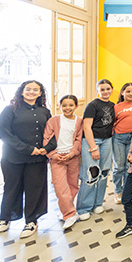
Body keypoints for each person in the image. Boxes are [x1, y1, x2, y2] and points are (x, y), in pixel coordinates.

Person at [0, 81, 56, 238]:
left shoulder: (45, 111)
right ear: (21, 92)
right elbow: (4, 133)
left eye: (35, 90)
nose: (31, 92)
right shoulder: (10, 110)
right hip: (12, 158)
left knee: (34, 189)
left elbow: (52, 133)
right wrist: (29, 149)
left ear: (40, 93)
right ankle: (4, 218)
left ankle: (31, 221)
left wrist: (47, 148)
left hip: (37, 160)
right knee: (11, 188)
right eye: (28, 89)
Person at [43, 95, 83, 230]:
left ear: (76, 106)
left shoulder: (79, 121)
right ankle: (70, 213)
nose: (67, 108)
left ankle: (67, 210)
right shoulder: (53, 120)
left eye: (71, 105)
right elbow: (46, 139)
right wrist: (53, 155)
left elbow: (78, 140)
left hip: (72, 158)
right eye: (64, 105)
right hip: (57, 159)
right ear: (60, 106)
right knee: (60, 187)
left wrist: (72, 153)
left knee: (72, 185)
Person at [77, 79, 115, 222]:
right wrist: (93, 148)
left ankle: (97, 203)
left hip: (107, 140)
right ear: (97, 91)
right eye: (102, 89)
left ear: (112, 89)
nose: (105, 92)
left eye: (108, 89)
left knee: (104, 172)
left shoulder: (112, 105)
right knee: (91, 173)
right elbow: (87, 127)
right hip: (93, 141)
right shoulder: (92, 105)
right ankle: (84, 208)